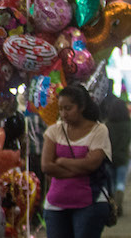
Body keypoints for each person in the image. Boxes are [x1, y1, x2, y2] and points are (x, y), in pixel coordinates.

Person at [42, 83, 112, 238]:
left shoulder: (99, 130)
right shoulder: (54, 131)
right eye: (61, 109)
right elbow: (46, 166)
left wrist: (61, 162)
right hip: (56, 203)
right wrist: (82, 169)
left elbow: (92, 164)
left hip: (90, 203)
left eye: (68, 108)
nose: (63, 114)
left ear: (81, 107)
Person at [101, 92, 130, 215]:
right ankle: (119, 204)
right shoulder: (128, 125)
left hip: (109, 157)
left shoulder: (106, 125)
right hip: (123, 157)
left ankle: (112, 206)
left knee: (111, 183)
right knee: (120, 182)